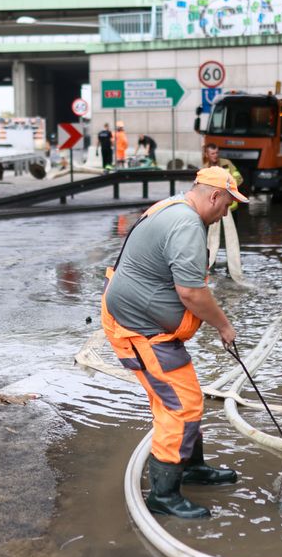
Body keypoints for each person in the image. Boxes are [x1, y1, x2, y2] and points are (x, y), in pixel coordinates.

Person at [100, 166, 246, 519]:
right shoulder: (186, 225)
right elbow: (192, 293)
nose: (227, 213)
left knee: (186, 396)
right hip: (138, 329)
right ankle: (163, 496)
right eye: (227, 204)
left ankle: (190, 467)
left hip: (146, 325)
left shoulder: (175, 209)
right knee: (179, 406)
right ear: (214, 196)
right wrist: (224, 326)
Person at [202, 143, 244, 210]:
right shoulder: (204, 169)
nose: (215, 155)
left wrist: (228, 186)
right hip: (214, 208)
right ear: (207, 155)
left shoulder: (226, 163)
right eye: (212, 154)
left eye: (217, 153)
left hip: (230, 206)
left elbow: (239, 178)